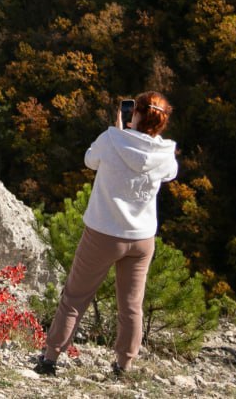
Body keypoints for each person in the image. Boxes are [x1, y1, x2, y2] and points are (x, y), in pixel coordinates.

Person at [35, 91, 178, 378]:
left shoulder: (112, 139)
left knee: (75, 297)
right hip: (142, 239)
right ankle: (123, 365)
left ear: (133, 113)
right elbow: (169, 173)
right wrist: (147, 136)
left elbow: (90, 161)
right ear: (161, 123)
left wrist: (119, 130)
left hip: (103, 232)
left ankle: (50, 359)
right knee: (131, 305)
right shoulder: (164, 153)